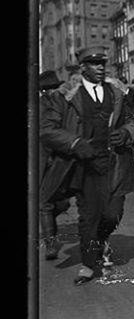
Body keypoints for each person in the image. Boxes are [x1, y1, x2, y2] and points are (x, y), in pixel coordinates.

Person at [39, 47, 134, 285]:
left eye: (103, 64)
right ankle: (88, 263)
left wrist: (125, 133)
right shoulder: (65, 96)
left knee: (112, 213)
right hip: (83, 167)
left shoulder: (115, 92)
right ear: (83, 67)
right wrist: (74, 143)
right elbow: (47, 130)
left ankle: (100, 240)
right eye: (94, 64)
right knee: (89, 217)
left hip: (114, 164)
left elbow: (131, 121)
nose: (101, 68)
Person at [39, 70, 70, 261]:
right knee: (47, 202)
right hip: (52, 157)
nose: (50, 92)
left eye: (51, 88)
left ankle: (51, 243)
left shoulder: (51, 104)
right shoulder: (61, 102)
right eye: (47, 89)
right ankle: (50, 241)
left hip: (55, 157)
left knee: (45, 203)